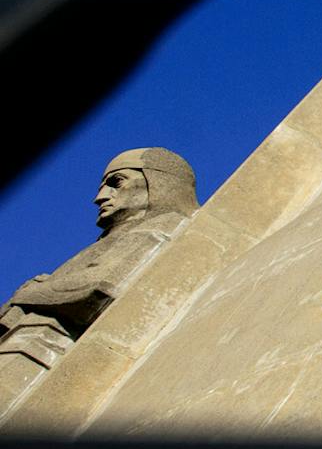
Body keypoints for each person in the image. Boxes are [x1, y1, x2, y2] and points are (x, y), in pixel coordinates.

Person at [0, 149, 198, 405]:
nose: (100, 197)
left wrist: (29, 293)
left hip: (44, 349)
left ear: (159, 182)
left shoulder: (160, 225)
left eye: (117, 183)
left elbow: (95, 288)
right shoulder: (109, 239)